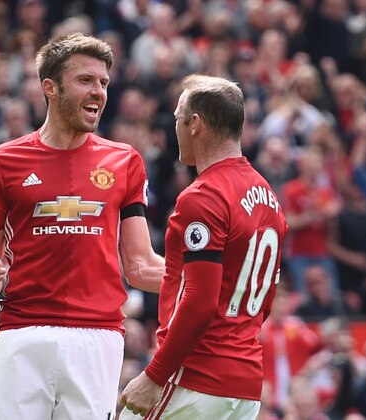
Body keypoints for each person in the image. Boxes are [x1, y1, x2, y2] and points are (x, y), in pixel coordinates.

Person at [0, 33, 165, 419]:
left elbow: (140, 264)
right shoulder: (1, 162)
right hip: (23, 331)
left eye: (104, 82)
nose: (98, 92)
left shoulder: (125, 161)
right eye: (86, 80)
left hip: (99, 337)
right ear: (50, 88)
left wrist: (211, 281)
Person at [119, 75, 288, 418]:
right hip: (243, 388)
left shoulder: (204, 196)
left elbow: (201, 300)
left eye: (178, 118)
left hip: (194, 378)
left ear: (195, 124)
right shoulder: (268, 198)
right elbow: (260, 294)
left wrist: (154, 376)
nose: (174, 127)